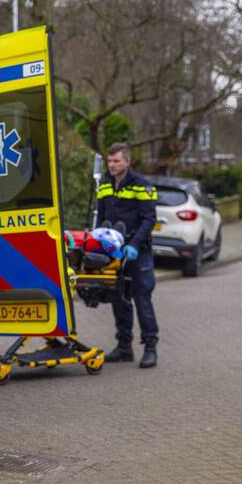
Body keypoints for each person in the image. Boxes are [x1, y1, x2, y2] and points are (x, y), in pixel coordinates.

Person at [96, 142, 160, 368]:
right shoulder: (104, 183)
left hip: (137, 252)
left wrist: (133, 244)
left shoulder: (140, 185)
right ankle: (124, 347)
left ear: (127, 162)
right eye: (109, 161)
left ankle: (150, 346)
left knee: (142, 297)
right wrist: (97, 242)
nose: (111, 165)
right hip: (113, 251)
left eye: (116, 161)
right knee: (118, 298)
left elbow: (149, 219)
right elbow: (100, 216)